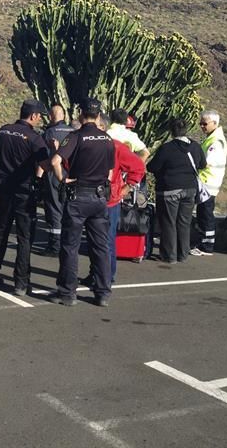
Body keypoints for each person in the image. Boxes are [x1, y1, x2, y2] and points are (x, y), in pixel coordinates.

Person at [0, 99, 51, 296]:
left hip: (4, 188)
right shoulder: (34, 138)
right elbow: (45, 165)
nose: (39, 120)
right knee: (24, 237)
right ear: (33, 116)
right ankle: (21, 282)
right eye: (39, 116)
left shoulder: (3, 131)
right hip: (24, 191)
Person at [50, 98, 114, 307]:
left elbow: (55, 161)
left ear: (80, 113)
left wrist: (62, 179)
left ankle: (68, 292)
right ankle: (102, 292)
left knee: (70, 245)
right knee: (101, 246)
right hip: (99, 197)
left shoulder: (76, 137)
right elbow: (111, 172)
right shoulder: (107, 139)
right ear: (98, 116)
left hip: (79, 195)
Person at [80, 113, 145, 286]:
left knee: (106, 240)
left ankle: (107, 276)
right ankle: (96, 273)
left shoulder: (115, 147)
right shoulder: (87, 143)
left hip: (109, 200)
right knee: (94, 240)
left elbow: (138, 166)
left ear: (103, 128)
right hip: (91, 198)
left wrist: (127, 187)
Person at [146, 118, 206, 264]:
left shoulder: (166, 148)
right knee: (184, 222)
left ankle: (169, 255)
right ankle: (183, 254)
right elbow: (203, 164)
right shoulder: (196, 147)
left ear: (171, 131)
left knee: (169, 223)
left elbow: (152, 167)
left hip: (169, 189)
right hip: (190, 189)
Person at [38, 104, 74, 257]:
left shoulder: (49, 133)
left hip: (53, 176)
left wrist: (38, 178)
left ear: (51, 117)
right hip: (71, 176)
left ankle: (54, 245)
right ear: (64, 116)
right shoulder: (74, 132)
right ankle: (68, 242)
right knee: (69, 209)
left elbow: (43, 160)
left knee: (54, 209)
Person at [191, 109, 227, 256]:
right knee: (202, 213)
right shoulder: (211, 138)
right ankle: (202, 242)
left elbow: (207, 162)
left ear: (214, 123)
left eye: (204, 123)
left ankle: (207, 246)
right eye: (200, 123)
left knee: (206, 214)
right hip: (205, 183)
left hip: (208, 183)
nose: (202, 126)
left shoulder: (216, 141)